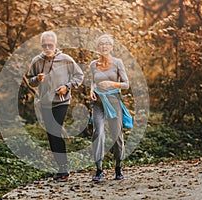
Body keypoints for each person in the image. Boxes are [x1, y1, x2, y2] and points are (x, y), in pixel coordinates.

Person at [26, 31, 84, 181]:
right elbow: (30, 79)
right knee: (51, 134)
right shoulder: (37, 61)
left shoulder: (66, 60)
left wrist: (67, 86)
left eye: (50, 45)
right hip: (45, 102)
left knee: (56, 129)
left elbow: (79, 76)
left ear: (55, 45)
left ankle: (64, 169)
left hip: (61, 101)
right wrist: (36, 79)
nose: (47, 47)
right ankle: (61, 167)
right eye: (44, 45)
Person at [90, 34, 129, 181]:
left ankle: (118, 167)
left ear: (111, 47)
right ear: (97, 48)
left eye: (107, 44)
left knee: (116, 135)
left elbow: (126, 84)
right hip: (98, 103)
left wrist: (111, 84)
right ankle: (99, 169)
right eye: (101, 44)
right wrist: (91, 90)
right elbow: (93, 81)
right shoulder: (93, 64)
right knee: (98, 133)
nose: (104, 46)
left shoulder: (118, 62)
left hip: (114, 102)